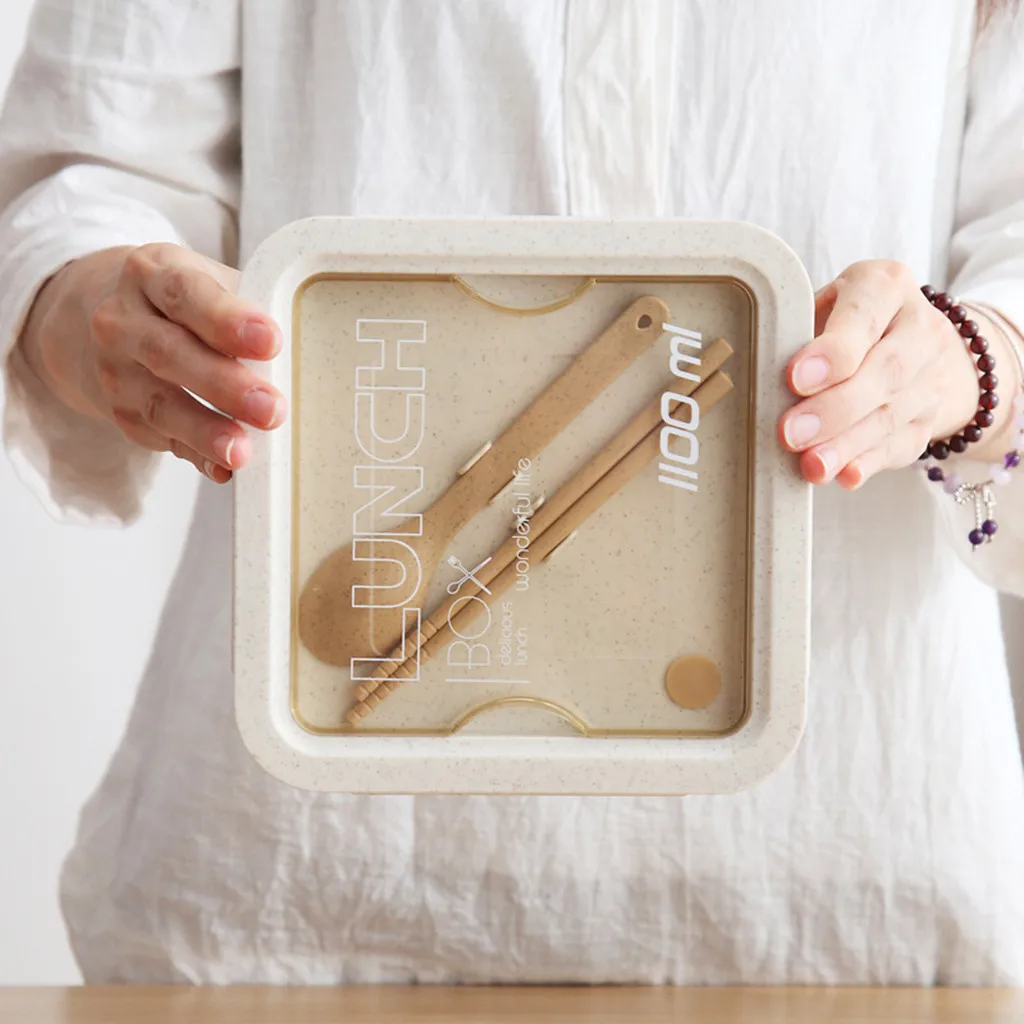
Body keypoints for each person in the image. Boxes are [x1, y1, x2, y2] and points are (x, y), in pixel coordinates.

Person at [2, 0, 1024, 986]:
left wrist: (975, 364)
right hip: (278, 913)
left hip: (856, 909)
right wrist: (93, 308)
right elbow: (90, 174)